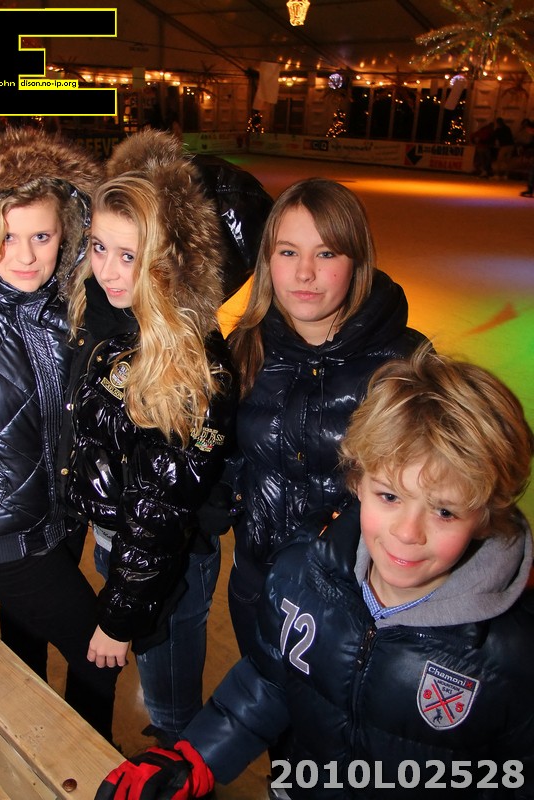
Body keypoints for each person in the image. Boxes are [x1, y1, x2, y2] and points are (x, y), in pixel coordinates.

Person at [93, 346, 534, 800]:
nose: (407, 533)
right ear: (358, 481)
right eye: (389, 497)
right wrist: (197, 757)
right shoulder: (302, 573)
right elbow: (270, 680)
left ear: (485, 517)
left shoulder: (515, 654)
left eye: (444, 511)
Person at [0, 126, 119, 740]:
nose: (26, 256)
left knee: (26, 638)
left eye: (41, 236)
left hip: (60, 519)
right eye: (6, 237)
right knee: (98, 651)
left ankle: (35, 746)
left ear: (67, 234)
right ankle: (94, 762)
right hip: (0, 537)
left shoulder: (72, 310)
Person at [57, 129, 239, 748]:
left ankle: (181, 770)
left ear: (163, 260)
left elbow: (161, 512)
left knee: (171, 711)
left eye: (128, 255)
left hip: (165, 562)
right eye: (98, 248)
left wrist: (120, 617)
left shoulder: (189, 362)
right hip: (120, 547)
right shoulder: (107, 317)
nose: (106, 270)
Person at [221, 177, 426, 659]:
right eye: (288, 252)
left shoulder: (405, 366)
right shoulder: (244, 349)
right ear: (268, 260)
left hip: (354, 600)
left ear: (356, 261)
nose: (305, 273)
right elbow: (230, 448)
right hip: (257, 580)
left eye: (327, 253)